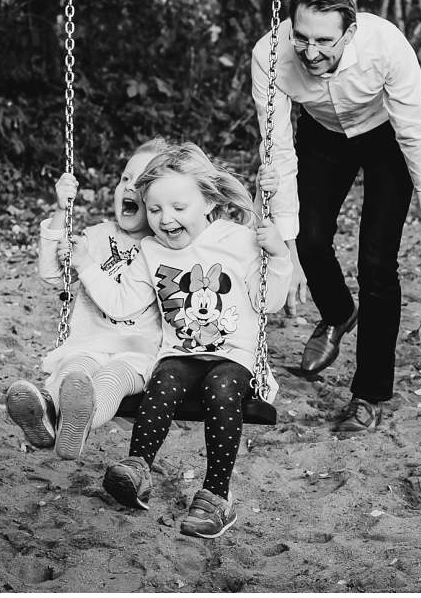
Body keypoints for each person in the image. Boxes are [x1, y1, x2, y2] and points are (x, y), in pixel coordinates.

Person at [251, 0, 421, 435]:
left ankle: (369, 394)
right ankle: (336, 314)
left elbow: (413, 130)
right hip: (321, 135)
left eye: (324, 41)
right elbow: (277, 149)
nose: (310, 52)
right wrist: (286, 245)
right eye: (302, 38)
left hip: (384, 135)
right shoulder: (269, 54)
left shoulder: (386, 45)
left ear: (349, 33)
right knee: (310, 243)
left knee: (376, 264)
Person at [70, 143, 290, 539]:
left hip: (235, 358)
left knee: (222, 388)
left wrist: (278, 256)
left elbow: (269, 300)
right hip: (182, 354)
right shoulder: (150, 250)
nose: (165, 219)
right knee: (165, 374)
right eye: (154, 210)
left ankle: (215, 496)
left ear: (207, 202)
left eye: (177, 208)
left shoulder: (238, 240)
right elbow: (122, 303)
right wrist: (85, 264)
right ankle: (138, 467)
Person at [4, 139, 167, 460]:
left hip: (136, 354)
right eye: (125, 179)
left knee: (110, 380)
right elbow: (52, 274)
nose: (130, 187)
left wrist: (85, 264)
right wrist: (61, 211)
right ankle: (46, 413)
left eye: (143, 183)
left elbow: (126, 303)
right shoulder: (96, 235)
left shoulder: (163, 247)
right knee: (74, 373)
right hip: (89, 343)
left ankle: (79, 423)